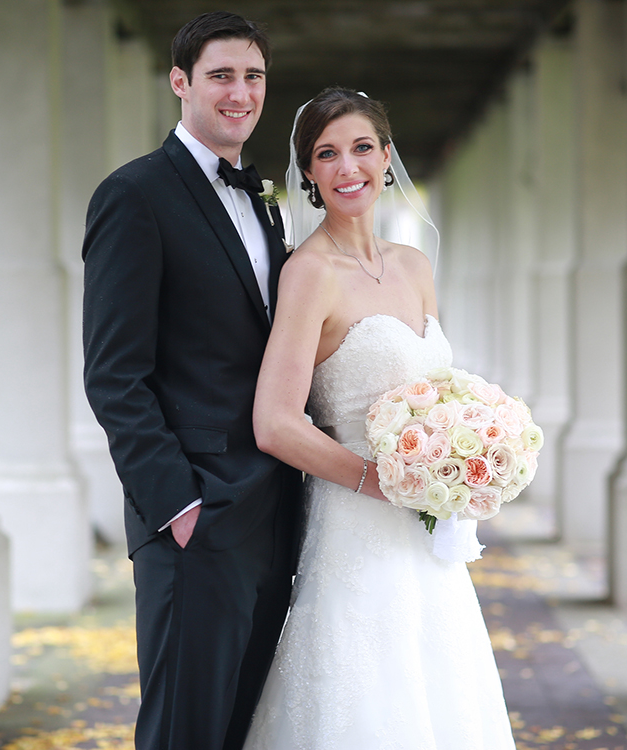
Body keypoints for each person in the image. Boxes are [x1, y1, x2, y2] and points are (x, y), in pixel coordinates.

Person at [243, 88, 516, 749]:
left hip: (428, 535)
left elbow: (435, 388)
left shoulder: (415, 266)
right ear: (308, 173)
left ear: (386, 156)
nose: (347, 167)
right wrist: (381, 481)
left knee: (438, 696)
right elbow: (275, 422)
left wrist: (465, 452)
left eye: (361, 148)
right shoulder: (308, 275)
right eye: (326, 154)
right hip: (356, 526)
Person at [81, 11, 303, 750]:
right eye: (220, 76)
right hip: (196, 513)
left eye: (252, 77)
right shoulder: (134, 196)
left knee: (242, 725)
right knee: (185, 730)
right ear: (179, 83)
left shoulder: (262, 200)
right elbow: (114, 374)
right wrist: (176, 501)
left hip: (274, 506)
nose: (239, 93)